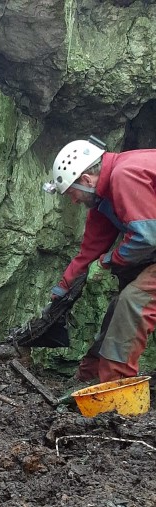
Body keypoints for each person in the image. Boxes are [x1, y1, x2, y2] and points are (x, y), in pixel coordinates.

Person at [43, 137, 156, 382]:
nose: (73, 201)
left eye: (73, 193)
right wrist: (62, 290)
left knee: (133, 302)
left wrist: (108, 261)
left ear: (86, 179)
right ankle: (87, 380)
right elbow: (89, 252)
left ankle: (116, 391)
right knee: (120, 306)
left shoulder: (125, 175)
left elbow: (147, 237)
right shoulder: (103, 200)